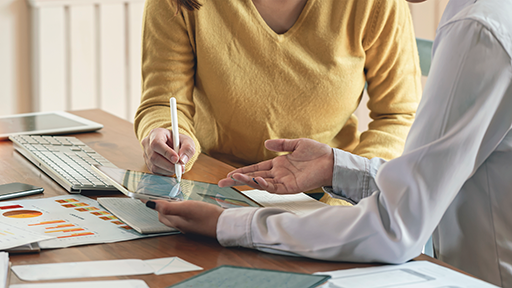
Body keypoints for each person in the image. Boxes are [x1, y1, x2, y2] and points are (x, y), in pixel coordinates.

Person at [145, 0, 512, 286]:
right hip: (226, 190)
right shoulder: (477, 17)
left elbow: (395, 226)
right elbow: (428, 183)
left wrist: (229, 226)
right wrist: (337, 167)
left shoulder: (477, 29)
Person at [134, 0, 421, 180]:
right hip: (216, 184)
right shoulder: (178, 2)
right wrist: (167, 135)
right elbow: (162, 101)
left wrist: (351, 181)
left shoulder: (377, 5)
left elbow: (398, 117)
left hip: (328, 196)